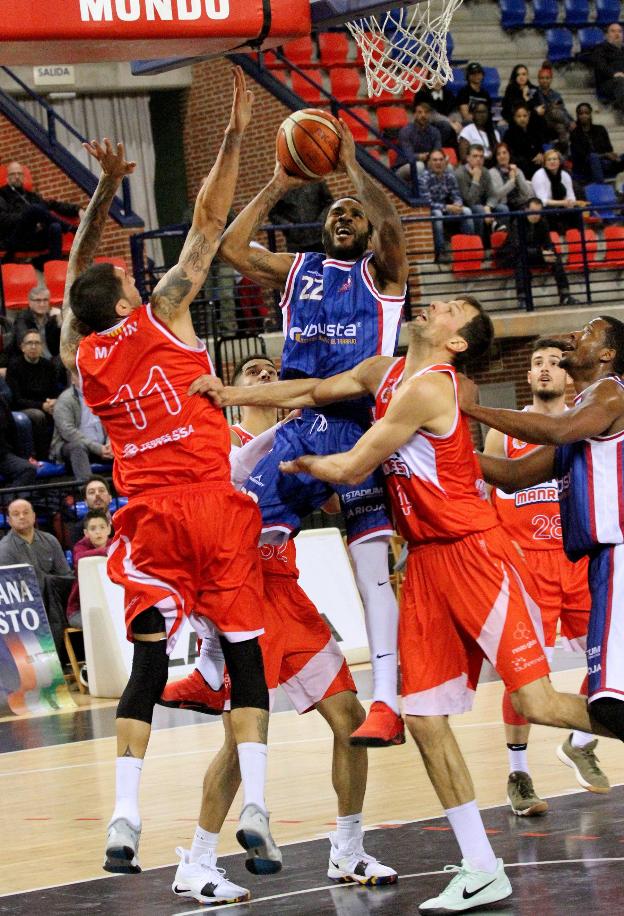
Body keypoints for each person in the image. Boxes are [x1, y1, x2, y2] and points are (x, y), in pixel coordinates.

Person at [197, 295, 613, 913]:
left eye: (450, 308)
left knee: (535, 702)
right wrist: (232, 397)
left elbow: (355, 462)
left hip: (476, 554)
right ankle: (480, 866)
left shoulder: (433, 387)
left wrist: (308, 465)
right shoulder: (380, 371)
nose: (434, 304)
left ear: (457, 341)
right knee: (423, 718)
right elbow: (313, 390)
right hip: (424, 563)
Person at [59, 70, 280, 878]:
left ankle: (123, 820)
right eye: (124, 279)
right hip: (212, 506)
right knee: (247, 656)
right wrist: (231, 135)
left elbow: (75, 278)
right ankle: (255, 801)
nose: (132, 275)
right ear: (125, 302)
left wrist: (100, 195)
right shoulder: (166, 311)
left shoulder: (81, 353)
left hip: (147, 516)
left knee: (149, 665)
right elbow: (210, 221)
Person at [165, 353, 396, 905]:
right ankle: (195, 862)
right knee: (244, 740)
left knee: (350, 716)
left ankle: (347, 849)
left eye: (274, 371)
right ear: (236, 393)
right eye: (254, 374)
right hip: (241, 591)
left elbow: (342, 494)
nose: (267, 377)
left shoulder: (306, 437)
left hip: (287, 592)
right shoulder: (222, 447)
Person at [216, 120, 409, 748]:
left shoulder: (383, 278)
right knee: (239, 523)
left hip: (364, 426)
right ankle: (213, 665)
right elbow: (233, 248)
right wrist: (276, 180)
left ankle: (386, 700)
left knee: (371, 565)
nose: (345, 216)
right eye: (337, 211)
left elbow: (396, 231)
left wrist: (352, 170)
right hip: (300, 419)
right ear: (323, 225)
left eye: (355, 212)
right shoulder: (298, 268)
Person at [458, 314, 624, 756]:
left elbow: (558, 430)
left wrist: (469, 407)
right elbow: (513, 476)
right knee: (609, 705)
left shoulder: (610, 393)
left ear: (607, 355)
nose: (573, 336)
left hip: (618, 554)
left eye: (586, 333)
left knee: (611, 705)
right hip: (598, 562)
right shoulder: (584, 413)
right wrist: (439, 444)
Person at [484, 339, 609, 815]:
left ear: (568, 375)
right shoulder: (507, 434)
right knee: (525, 675)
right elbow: (484, 498)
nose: (542, 370)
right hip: (526, 566)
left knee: (610, 661)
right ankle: (519, 774)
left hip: (578, 559)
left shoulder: (585, 424)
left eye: (553, 363)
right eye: (536, 363)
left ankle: (579, 741)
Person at [0, 498, 73, 663]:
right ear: (9, 520)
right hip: (24, 607)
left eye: (26, 512)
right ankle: (51, 664)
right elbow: (10, 589)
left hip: (54, 601)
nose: (22, 517)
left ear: (34, 516)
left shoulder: (50, 540)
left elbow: (66, 576)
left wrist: (48, 586)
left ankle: (63, 661)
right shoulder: (4, 549)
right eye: (16, 514)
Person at [495, 197, 579, 307]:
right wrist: (541, 254)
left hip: (534, 255)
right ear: (526, 210)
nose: (536, 215)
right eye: (533, 211)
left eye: (538, 212)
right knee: (521, 261)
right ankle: (523, 298)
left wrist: (549, 253)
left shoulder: (543, 222)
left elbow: (548, 242)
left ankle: (565, 295)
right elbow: (518, 247)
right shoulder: (517, 222)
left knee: (556, 258)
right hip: (513, 256)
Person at [0, 162, 83, 269]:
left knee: (55, 227)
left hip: (34, 238)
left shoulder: (31, 196)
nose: (17, 177)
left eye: (19, 174)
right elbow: (2, 220)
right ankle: (70, 229)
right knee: (33, 210)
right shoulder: (2, 195)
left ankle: (52, 266)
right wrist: (28, 217)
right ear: (7, 178)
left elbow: (53, 205)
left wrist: (77, 210)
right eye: (13, 174)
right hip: (14, 239)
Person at [6, 329, 58, 460]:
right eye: (29, 343)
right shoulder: (14, 367)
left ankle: (58, 452)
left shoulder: (48, 366)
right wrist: (42, 405)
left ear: (41, 346)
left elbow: (55, 391)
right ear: (22, 347)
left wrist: (54, 402)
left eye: (37, 343)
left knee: (62, 410)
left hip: (46, 405)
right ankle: (41, 456)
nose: (33, 346)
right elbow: (16, 399)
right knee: (38, 415)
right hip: (23, 408)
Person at [50, 371, 112, 480]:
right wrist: (98, 448)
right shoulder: (65, 400)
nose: (84, 378)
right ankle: (87, 490)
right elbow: (68, 432)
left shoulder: (102, 395)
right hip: (71, 448)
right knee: (78, 447)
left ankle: (133, 488)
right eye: (79, 375)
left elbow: (111, 421)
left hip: (103, 447)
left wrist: (110, 444)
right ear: (72, 380)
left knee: (126, 442)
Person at [419, 150, 475, 260]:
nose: (438, 163)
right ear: (429, 163)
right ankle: (441, 253)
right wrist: (446, 207)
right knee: (437, 213)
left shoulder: (449, 176)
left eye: (441, 160)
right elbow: (427, 203)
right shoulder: (423, 179)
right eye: (435, 160)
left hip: (447, 208)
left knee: (467, 211)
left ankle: (470, 249)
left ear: (445, 162)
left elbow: (457, 195)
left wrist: (457, 204)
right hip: (432, 210)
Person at [65, 508, 112, 629]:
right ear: (86, 533)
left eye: (102, 527)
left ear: (109, 529)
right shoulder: (80, 548)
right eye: (93, 528)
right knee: (104, 626)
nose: (98, 532)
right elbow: (79, 558)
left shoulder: (115, 544)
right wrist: (107, 551)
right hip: (79, 610)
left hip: (111, 605)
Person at [455, 144, 508, 240]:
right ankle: (481, 244)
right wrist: (475, 179)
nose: (478, 159)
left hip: (484, 206)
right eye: (475, 156)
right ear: (468, 158)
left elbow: (493, 195)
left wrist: (488, 207)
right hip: (467, 207)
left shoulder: (485, 171)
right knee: (479, 209)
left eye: (481, 156)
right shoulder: (460, 174)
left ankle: (501, 243)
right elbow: (469, 201)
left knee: (503, 209)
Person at [268, 180, 333, 252]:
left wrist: (321, 219)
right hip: (295, 242)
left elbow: (329, 203)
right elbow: (273, 213)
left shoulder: (316, 180)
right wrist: (288, 226)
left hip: (320, 237)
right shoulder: (281, 186)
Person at [570, 102, 624, 185]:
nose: (584, 115)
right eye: (581, 113)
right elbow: (582, 157)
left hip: (605, 163)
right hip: (586, 167)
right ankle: (601, 188)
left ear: (591, 114)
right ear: (577, 116)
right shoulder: (575, 133)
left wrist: (612, 156)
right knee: (593, 157)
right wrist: (604, 155)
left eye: (586, 113)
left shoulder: (600, 129)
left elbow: (609, 149)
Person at [532, 149, 585, 232]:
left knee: (575, 210)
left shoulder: (565, 175)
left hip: (562, 205)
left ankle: (576, 237)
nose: (552, 162)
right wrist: (562, 202)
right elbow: (542, 201)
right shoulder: (539, 175)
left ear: (559, 161)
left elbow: (571, 196)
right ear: (544, 163)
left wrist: (570, 203)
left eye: (555, 159)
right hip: (544, 207)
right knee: (549, 211)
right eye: (549, 160)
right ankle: (553, 239)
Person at [10, 286, 61, 362]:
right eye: (38, 300)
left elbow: (61, 344)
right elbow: (25, 343)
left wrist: (61, 322)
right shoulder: (22, 319)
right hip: (30, 361)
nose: (42, 304)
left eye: (45, 300)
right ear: (30, 302)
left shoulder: (53, 319)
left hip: (52, 361)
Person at [534, 65, 575, 156]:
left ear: (551, 79)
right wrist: (569, 122)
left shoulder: (556, 94)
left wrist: (572, 120)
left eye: (547, 78)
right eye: (542, 78)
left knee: (561, 128)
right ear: (538, 79)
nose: (544, 80)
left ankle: (564, 156)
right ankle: (568, 125)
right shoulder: (535, 93)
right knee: (553, 110)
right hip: (543, 120)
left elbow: (563, 110)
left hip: (557, 121)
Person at [396, 100, 442, 181]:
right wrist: (419, 157)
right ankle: (422, 193)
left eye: (426, 112)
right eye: (420, 112)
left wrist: (433, 158)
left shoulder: (435, 132)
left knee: (447, 166)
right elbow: (408, 156)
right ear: (415, 114)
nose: (423, 115)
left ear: (430, 115)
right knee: (419, 165)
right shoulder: (406, 131)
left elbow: (437, 151)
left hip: (427, 163)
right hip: (404, 166)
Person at [0, 391, 37, 488]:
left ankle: (10, 501)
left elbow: (12, 432)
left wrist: (24, 457)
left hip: (2, 456)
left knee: (28, 469)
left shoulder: (1, 400)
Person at [502, 104, 548, 180]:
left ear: (529, 116)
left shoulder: (534, 131)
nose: (522, 119)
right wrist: (529, 160)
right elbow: (510, 156)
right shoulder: (509, 134)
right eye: (519, 116)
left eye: (525, 116)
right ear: (514, 118)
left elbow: (540, 147)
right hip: (520, 169)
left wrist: (540, 154)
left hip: (537, 167)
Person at [488, 142, 533, 211]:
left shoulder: (517, 170)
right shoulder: (492, 172)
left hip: (519, 203)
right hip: (503, 204)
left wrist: (517, 175)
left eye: (504, 153)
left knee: (534, 206)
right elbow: (496, 195)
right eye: (498, 154)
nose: (502, 156)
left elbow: (527, 193)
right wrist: (511, 181)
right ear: (496, 157)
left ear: (509, 154)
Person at [591, 22, 624, 113]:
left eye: (620, 31)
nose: (617, 34)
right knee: (621, 81)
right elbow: (600, 66)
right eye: (613, 31)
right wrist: (614, 74)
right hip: (608, 83)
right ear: (606, 35)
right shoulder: (600, 48)